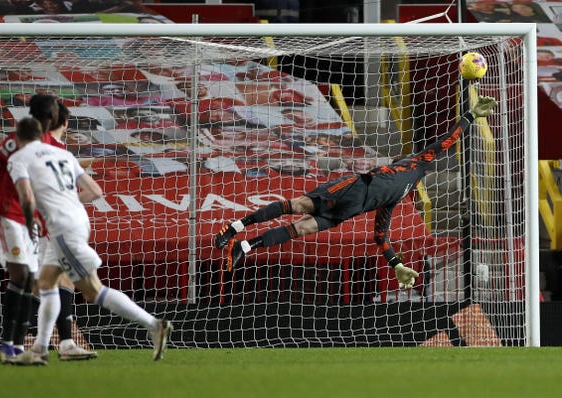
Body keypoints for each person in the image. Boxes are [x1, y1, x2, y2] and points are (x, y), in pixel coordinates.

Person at [214, 97, 499, 288]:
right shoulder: (415, 163)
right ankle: (234, 228)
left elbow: (380, 235)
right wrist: (471, 116)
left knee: (299, 229)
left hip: (347, 212)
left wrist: (396, 264)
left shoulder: (400, 196)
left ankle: (243, 247)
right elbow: (446, 142)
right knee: (298, 206)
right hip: (351, 187)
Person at [8, 117, 172, 365]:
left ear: (19, 138)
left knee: (93, 290)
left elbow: (26, 197)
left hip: (59, 227)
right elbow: (94, 191)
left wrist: (30, 221)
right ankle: (44, 347)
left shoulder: (21, 158)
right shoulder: (61, 153)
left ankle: (154, 324)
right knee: (47, 282)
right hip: (74, 222)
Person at [0, 94, 94, 364]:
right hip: (12, 216)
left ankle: (19, 347)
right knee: (26, 278)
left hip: (33, 222)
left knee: (33, 280)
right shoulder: (22, 141)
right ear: (52, 116)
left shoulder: (52, 146)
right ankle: (14, 346)